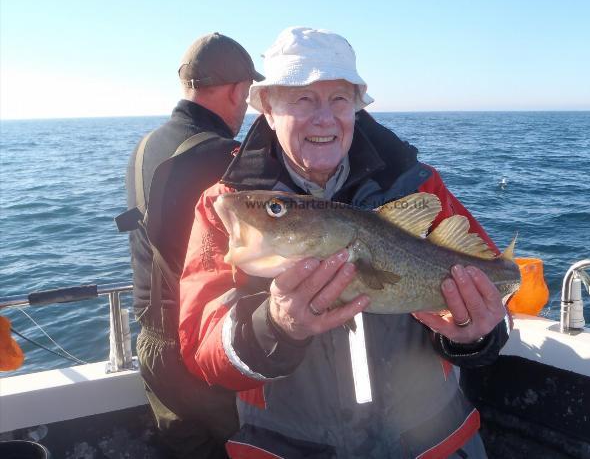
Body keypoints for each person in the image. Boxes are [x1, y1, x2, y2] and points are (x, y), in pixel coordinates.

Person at [178, 27, 510, 458]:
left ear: (356, 108)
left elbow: (494, 287)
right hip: (290, 445)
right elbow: (201, 349)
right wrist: (274, 326)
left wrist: (476, 336)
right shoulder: (228, 206)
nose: (323, 118)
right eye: (302, 99)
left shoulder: (420, 186)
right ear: (268, 111)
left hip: (434, 440)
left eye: (339, 99)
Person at [118, 32, 263, 459]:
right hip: (204, 347)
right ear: (238, 91)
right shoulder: (229, 157)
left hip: (153, 346)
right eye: (249, 93)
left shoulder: (144, 148)